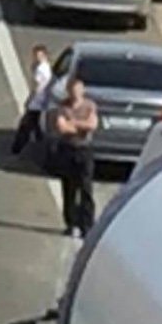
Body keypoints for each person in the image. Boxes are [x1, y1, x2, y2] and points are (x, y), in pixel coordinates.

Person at [54, 78, 99, 238]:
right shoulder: (63, 106)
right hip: (67, 150)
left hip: (84, 150)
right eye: (72, 91)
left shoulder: (90, 106)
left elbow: (92, 125)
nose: (75, 94)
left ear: (83, 91)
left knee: (86, 187)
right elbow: (62, 127)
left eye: (78, 91)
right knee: (69, 188)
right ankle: (71, 223)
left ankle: (87, 224)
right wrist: (80, 125)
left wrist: (73, 123)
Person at [11, 45, 52, 155]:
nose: (36, 57)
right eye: (35, 55)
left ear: (44, 55)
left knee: (27, 123)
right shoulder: (46, 67)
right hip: (43, 99)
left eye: (39, 55)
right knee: (35, 122)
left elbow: (37, 85)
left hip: (37, 100)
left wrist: (31, 98)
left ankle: (17, 147)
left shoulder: (40, 69)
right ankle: (39, 139)